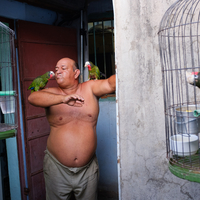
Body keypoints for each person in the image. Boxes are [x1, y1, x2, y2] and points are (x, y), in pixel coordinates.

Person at [28, 57, 116, 200]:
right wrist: (63, 99)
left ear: (76, 73)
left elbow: (110, 85)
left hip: (87, 170)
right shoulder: (52, 92)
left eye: (63, 68)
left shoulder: (90, 88)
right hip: (57, 168)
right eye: (56, 69)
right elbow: (32, 98)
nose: (58, 72)